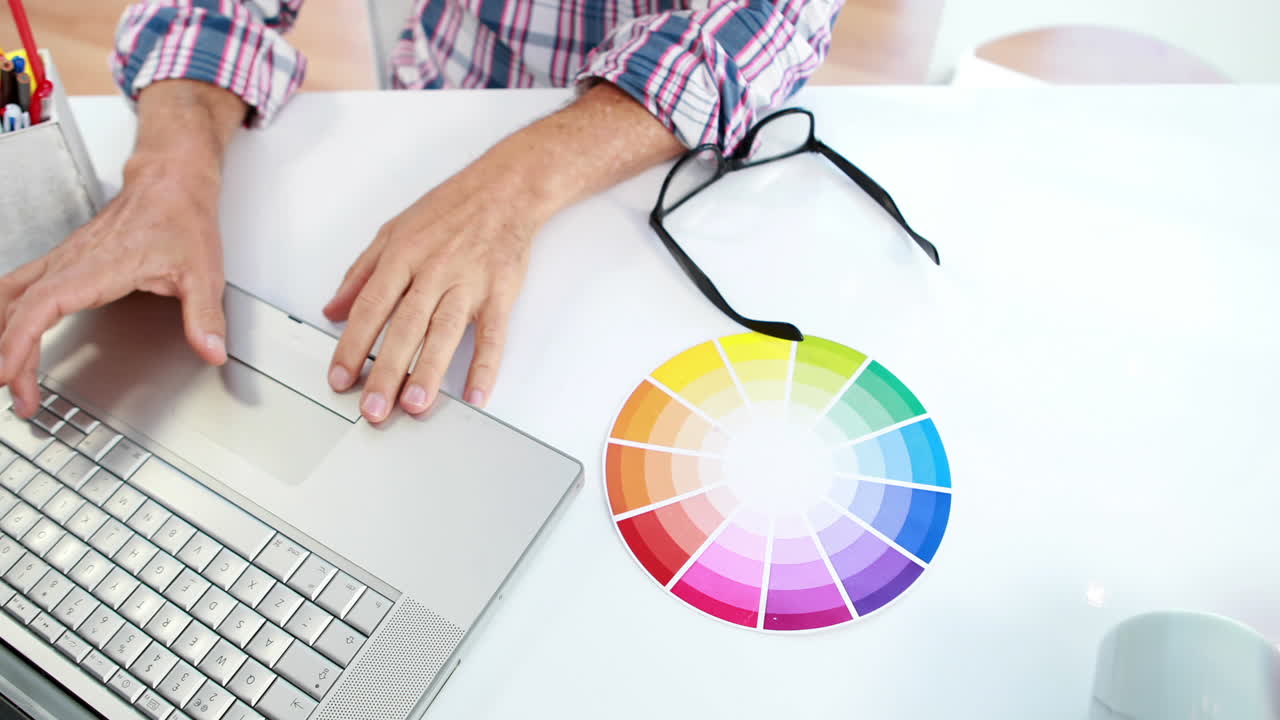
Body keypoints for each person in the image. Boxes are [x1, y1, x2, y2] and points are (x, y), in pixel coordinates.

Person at [0, 0, 839, 423]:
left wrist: (512, 186)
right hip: (435, 114)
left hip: (675, 167)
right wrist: (168, 171)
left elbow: (769, 20)